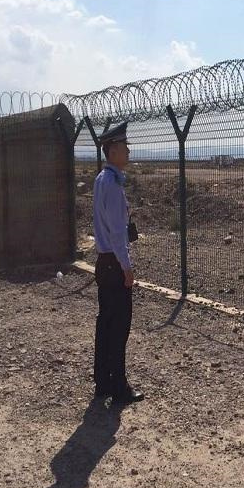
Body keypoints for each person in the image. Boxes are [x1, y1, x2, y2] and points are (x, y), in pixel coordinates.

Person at [92, 121, 144, 404]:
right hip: (114, 264)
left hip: (104, 262)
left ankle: (103, 382)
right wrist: (127, 267)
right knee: (119, 326)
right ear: (112, 151)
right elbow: (116, 233)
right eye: (124, 147)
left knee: (105, 324)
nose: (128, 151)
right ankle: (119, 387)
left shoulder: (102, 180)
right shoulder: (112, 185)